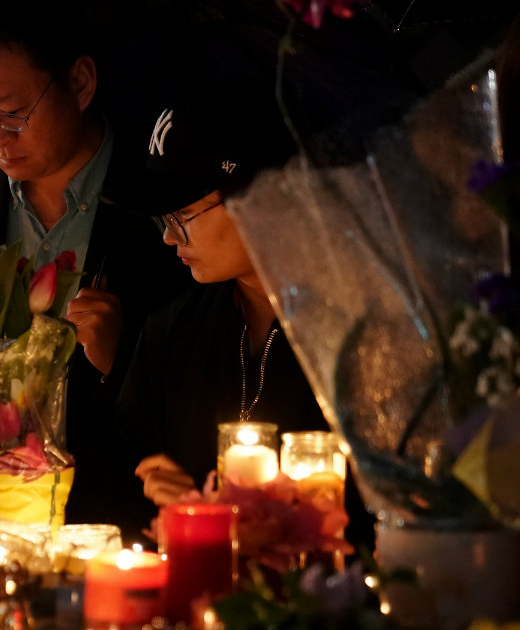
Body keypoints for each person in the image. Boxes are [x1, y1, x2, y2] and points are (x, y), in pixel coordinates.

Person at [0, 6, 191, 527]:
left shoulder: (162, 204)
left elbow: (193, 389)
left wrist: (119, 358)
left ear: (79, 82)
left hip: (111, 518)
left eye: (12, 114)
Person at [114, 78, 373, 549]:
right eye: (162, 220)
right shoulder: (170, 332)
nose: (169, 238)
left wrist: (223, 511)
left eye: (182, 216)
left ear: (265, 200)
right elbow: (124, 484)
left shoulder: (367, 332)